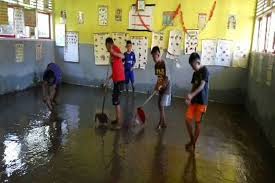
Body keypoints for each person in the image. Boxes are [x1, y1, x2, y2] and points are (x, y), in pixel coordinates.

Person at [185, 52, 209, 151]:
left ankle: (193, 144)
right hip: (194, 101)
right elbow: (194, 86)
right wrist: (189, 97)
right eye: (191, 66)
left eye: (193, 65)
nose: (192, 68)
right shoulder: (195, 73)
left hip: (202, 102)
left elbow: (201, 86)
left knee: (197, 123)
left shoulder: (205, 71)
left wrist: (191, 95)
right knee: (187, 120)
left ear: (198, 62)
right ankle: (192, 140)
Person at [105, 37, 125, 129]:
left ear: (109, 44)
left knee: (116, 101)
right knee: (115, 99)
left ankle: (119, 124)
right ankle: (117, 119)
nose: (106, 48)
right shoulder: (111, 54)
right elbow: (115, 69)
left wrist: (113, 52)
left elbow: (123, 56)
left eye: (106, 46)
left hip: (120, 80)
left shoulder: (114, 48)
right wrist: (108, 79)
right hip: (116, 79)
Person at [151, 46, 171, 130]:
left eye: (154, 56)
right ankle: (164, 123)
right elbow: (159, 78)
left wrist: (161, 85)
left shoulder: (164, 64)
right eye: (152, 56)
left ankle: (160, 123)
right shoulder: (156, 66)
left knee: (161, 105)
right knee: (159, 105)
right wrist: (156, 86)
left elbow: (167, 78)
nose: (153, 58)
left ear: (158, 54)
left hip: (166, 87)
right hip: (161, 87)